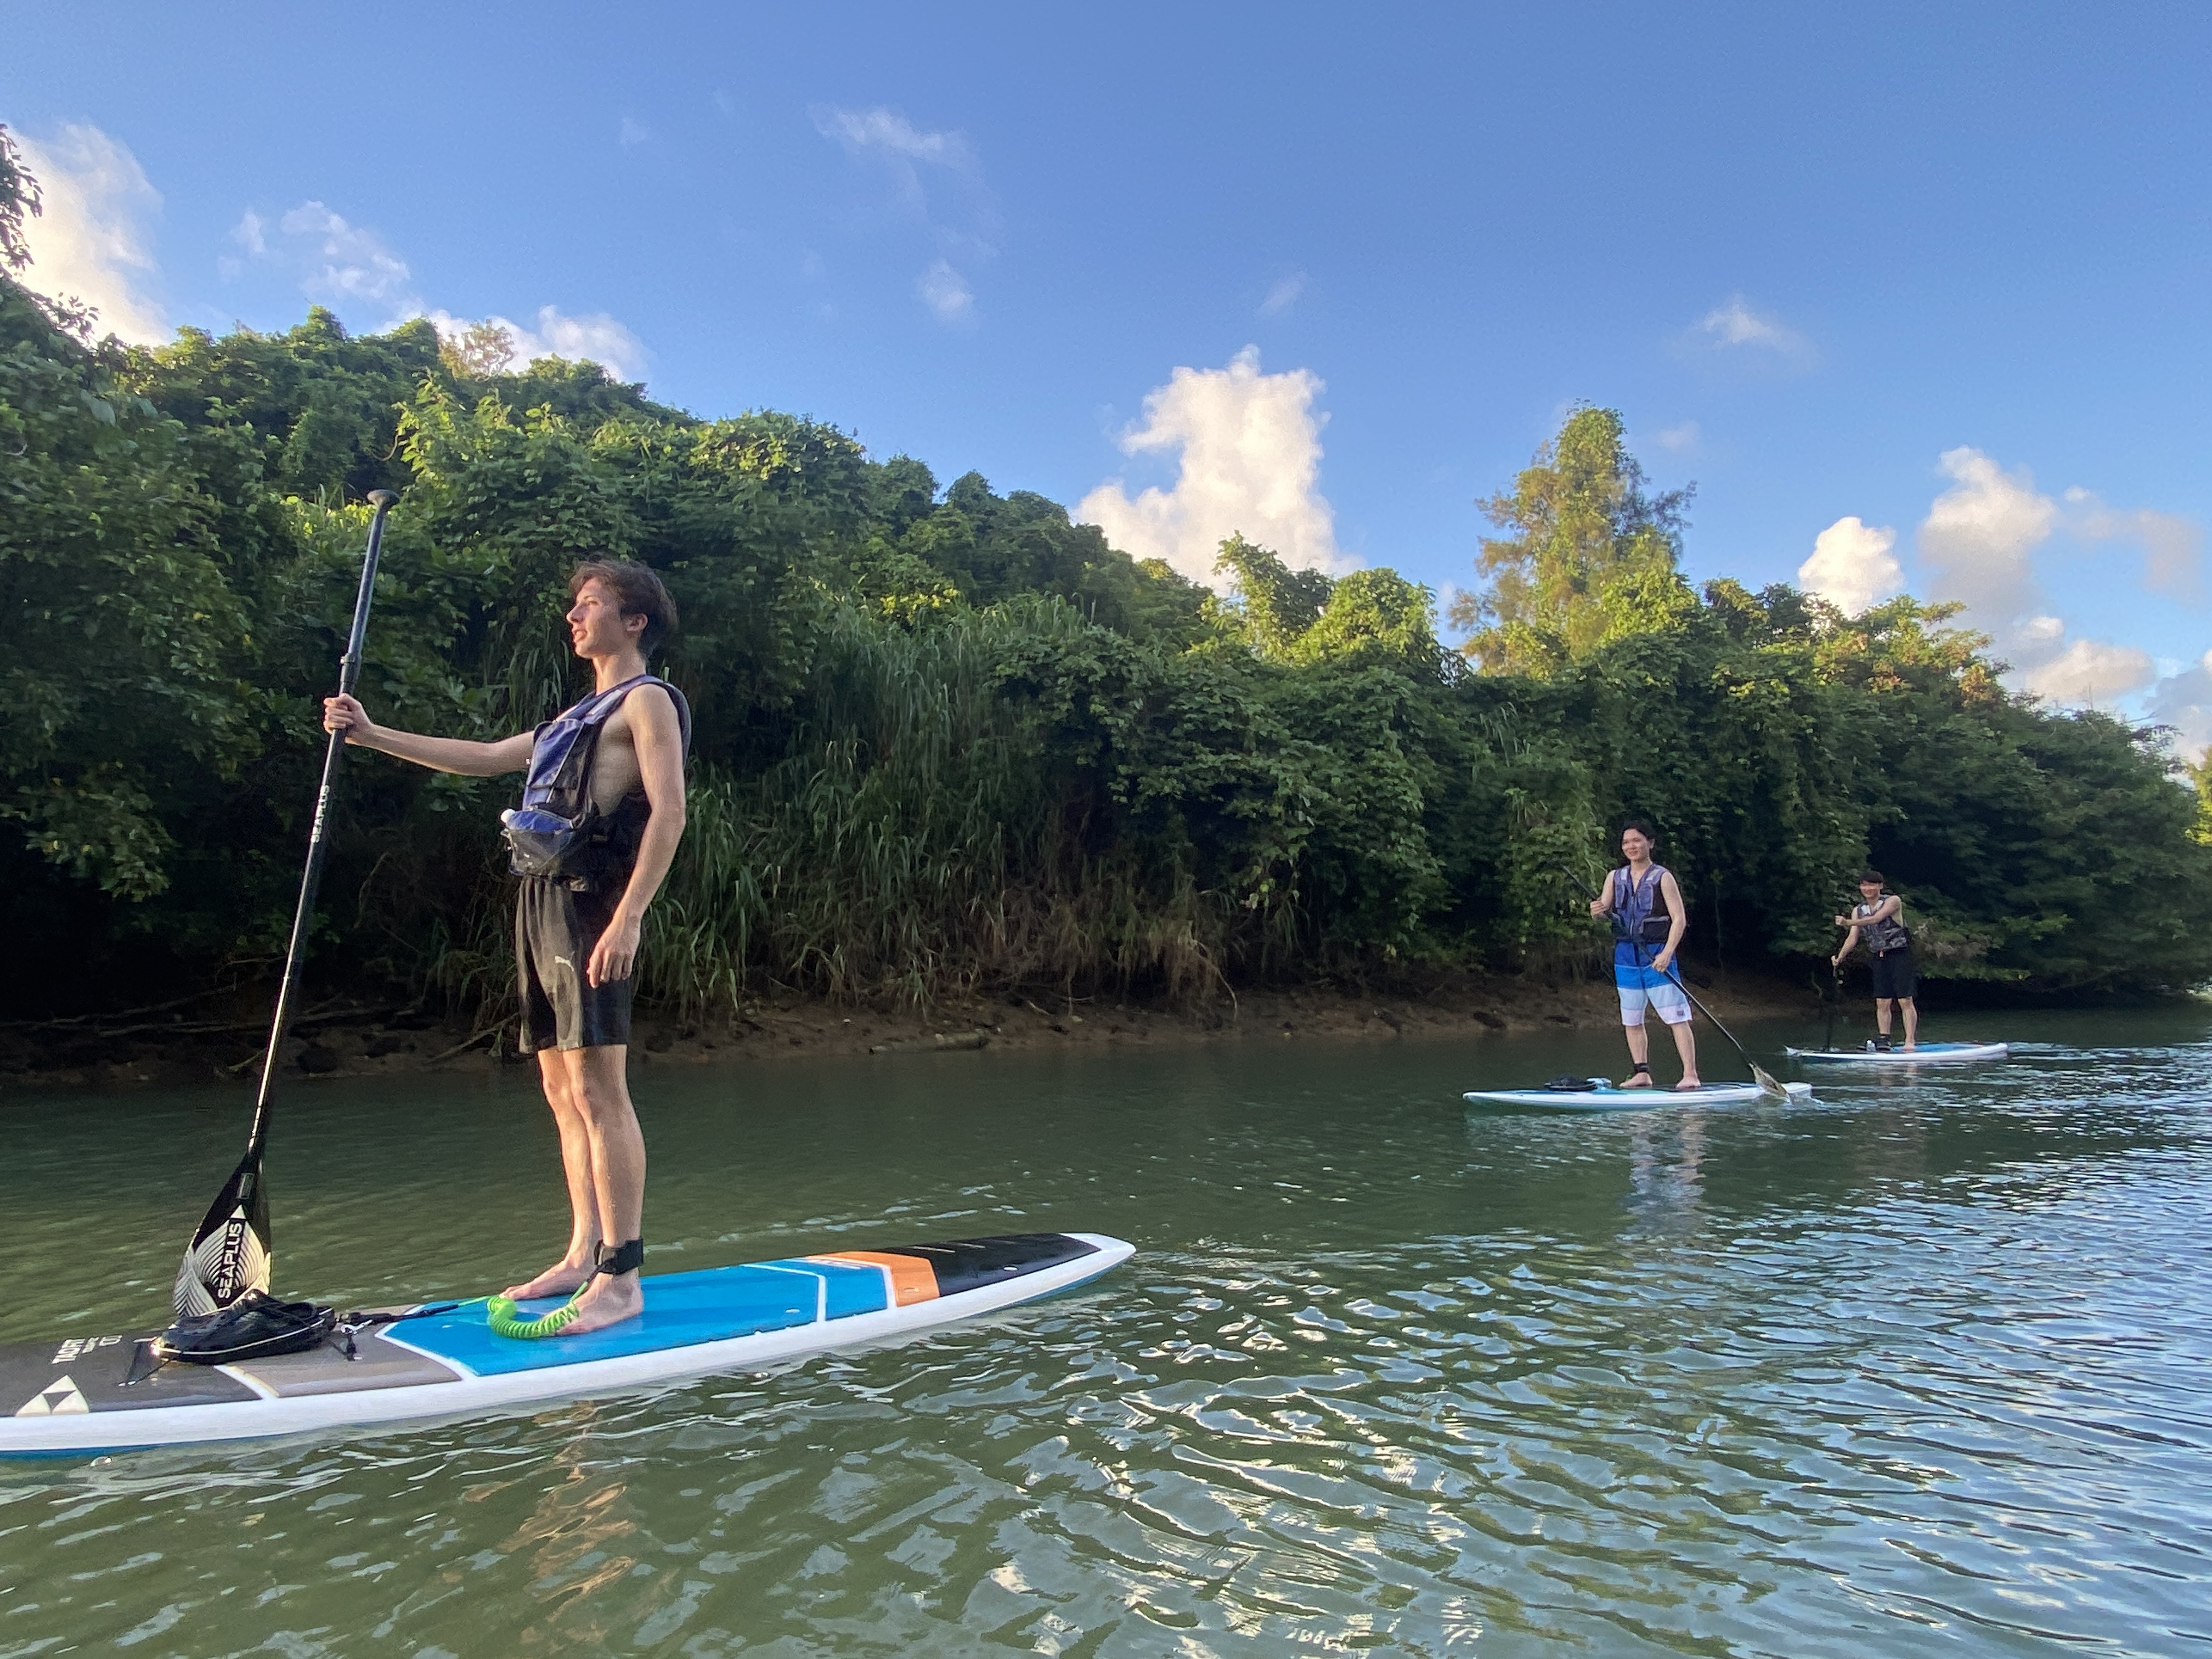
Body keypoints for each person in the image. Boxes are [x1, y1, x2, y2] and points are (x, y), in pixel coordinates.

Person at [323, 560, 689, 1335]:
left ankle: (621, 1278)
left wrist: (630, 917)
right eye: (575, 606)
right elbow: (485, 756)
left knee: (600, 1090)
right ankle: (583, 1251)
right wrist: (371, 733)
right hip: (540, 901)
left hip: (593, 903)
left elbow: (670, 812)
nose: (574, 616)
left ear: (635, 622)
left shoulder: (647, 701)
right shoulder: (570, 720)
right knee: (562, 1090)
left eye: (590, 604)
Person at [1589, 820, 1701, 1090]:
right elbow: (1603, 913)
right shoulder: (1614, 877)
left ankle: (1691, 1074)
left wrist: (1667, 953)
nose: (1631, 846)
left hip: (1657, 954)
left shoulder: (1663, 877)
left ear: (1650, 843)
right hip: (1626, 957)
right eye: (1626, 842)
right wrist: (1597, 912)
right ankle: (1641, 1073)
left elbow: (1679, 919)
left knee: (1676, 1017)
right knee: (1632, 1018)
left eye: (1637, 841)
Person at [1833, 868, 1917, 1051]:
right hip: (1879, 957)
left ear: (1880, 886)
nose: (1868, 889)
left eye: (1872, 885)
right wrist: (1840, 957)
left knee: (1904, 999)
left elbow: (1876, 919)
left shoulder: (1893, 901)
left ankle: (1910, 1041)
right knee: (1882, 1001)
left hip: (1899, 954)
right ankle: (1884, 1040)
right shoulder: (1858, 910)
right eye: (1864, 885)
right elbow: (1853, 937)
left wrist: (1848, 922)